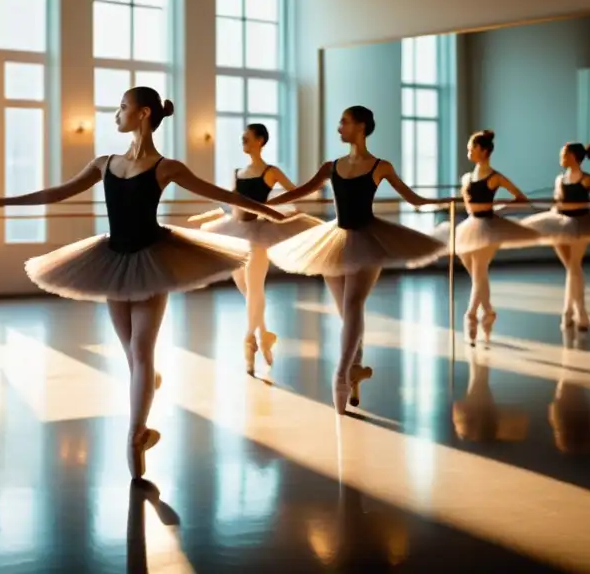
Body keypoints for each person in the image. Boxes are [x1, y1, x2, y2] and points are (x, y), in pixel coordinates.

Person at [0, 87, 287, 478]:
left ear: (142, 114)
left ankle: (135, 434)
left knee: (140, 350)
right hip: (111, 261)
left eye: (121, 107)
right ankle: (147, 392)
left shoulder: (166, 167)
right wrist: (1, 201)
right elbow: (57, 193)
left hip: (153, 259)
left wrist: (268, 212)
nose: (115, 114)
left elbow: (222, 193)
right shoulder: (104, 163)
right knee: (134, 355)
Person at [266, 106, 452, 415]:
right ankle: (356, 369)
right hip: (334, 241)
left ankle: (340, 375)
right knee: (346, 313)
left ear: (361, 127)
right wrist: (266, 202)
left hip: (368, 240)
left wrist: (446, 201)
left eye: (345, 122)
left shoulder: (380, 166)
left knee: (353, 306)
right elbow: (301, 192)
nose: (339, 127)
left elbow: (414, 200)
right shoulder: (331, 166)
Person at [198, 123, 320, 374]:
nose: (243, 140)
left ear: (260, 140)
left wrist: (284, 209)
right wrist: (218, 216)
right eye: (242, 137)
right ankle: (264, 335)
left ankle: (249, 341)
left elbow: (296, 193)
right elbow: (233, 204)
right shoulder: (237, 172)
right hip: (234, 232)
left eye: (247, 138)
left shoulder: (270, 171)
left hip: (259, 235)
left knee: (255, 290)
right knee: (247, 292)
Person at [432, 129, 540, 345]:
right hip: (470, 226)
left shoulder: (495, 177)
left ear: (483, 150)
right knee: (476, 276)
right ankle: (489, 311)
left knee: (480, 271)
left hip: (489, 226)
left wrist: (500, 208)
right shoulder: (466, 178)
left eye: (472, 148)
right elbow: (467, 202)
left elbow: (520, 197)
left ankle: (471, 315)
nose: (468, 152)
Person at [519, 143, 590, 331]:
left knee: (574, 266)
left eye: (564, 154)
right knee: (571, 268)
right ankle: (568, 311)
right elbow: (557, 201)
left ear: (574, 156)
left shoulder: (587, 179)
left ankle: (580, 312)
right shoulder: (559, 179)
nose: (561, 157)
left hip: (582, 224)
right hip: (559, 223)